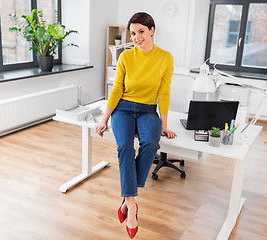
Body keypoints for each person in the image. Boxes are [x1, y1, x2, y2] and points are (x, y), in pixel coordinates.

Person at [95, 12, 176, 239]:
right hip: (122, 108)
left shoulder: (165, 58)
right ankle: (131, 206)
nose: (137, 37)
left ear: (152, 30)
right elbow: (117, 90)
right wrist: (104, 119)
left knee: (151, 143)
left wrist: (164, 124)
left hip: (147, 109)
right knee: (125, 148)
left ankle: (127, 198)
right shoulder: (126, 57)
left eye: (141, 31)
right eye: (133, 33)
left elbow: (164, 92)